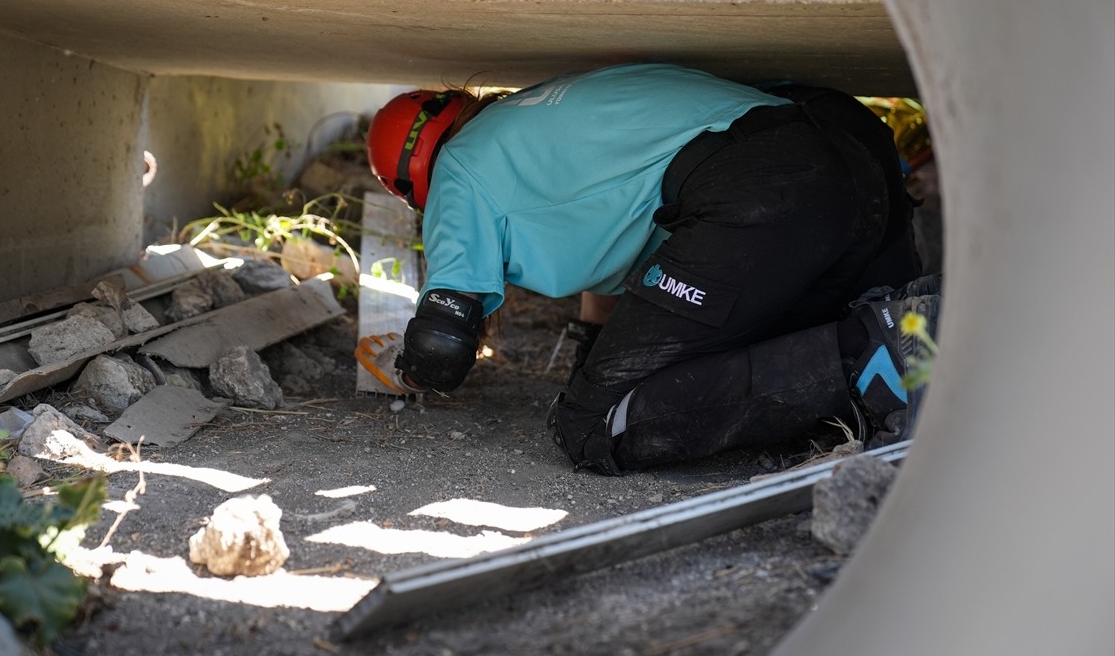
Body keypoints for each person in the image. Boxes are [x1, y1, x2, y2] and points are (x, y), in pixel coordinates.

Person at [355, 63, 939, 476]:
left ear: (416, 183)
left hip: (758, 190)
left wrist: (404, 370)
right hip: (848, 149)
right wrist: (596, 356)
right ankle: (914, 335)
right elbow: (626, 273)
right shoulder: (546, 118)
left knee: (592, 425)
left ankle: (867, 357)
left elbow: (441, 345)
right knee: (858, 325)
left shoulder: (461, 167)